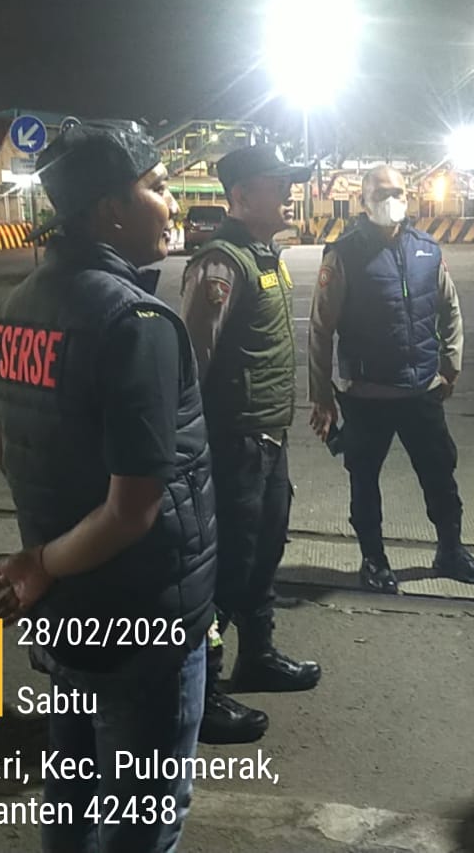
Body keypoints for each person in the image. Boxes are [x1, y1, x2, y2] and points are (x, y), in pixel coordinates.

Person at [0, 122, 215, 853]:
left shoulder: (16, 307)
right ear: (111, 209)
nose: (173, 204)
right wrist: (41, 563)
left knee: (72, 795)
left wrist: (49, 560)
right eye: (158, 187)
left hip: (67, 612)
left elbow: (4, 451)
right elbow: (133, 508)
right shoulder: (135, 321)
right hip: (142, 616)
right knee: (144, 817)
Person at [180, 144, 321, 746]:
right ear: (241, 195)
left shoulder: (267, 257)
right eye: (277, 183)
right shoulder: (220, 263)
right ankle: (204, 686)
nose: (289, 192)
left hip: (267, 437)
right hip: (233, 442)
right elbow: (192, 362)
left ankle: (257, 654)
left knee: (264, 553)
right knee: (224, 570)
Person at [309, 165, 474, 594]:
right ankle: (373, 560)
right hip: (366, 394)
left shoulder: (426, 249)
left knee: (440, 473)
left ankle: (451, 551)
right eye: (380, 194)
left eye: (397, 192)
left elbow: (450, 308)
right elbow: (320, 329)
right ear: (362, 201)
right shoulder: (342, 255)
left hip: (421, 390)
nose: (390, 200)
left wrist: (450, 363)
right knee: (364, 480)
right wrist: (322, 397)